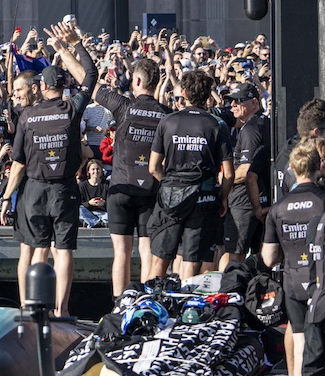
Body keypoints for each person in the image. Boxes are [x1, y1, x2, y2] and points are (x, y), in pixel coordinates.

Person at [0, 22, 98, 316]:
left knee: (38, 248)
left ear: (42, 87)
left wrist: (6, 197)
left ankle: (30, 307)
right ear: (62, 86)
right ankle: (61, 309)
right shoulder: (71, 107)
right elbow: (91, 75)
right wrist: (69, 46)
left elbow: (17, 164)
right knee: (64, 251)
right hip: (64, 188)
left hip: (35, 190)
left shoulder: (27, 115)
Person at [260, 137, 325, 376]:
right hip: (320, 286)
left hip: (294, 287)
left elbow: (268, 257)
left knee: (302, 358)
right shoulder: (323, 200)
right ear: (319, 167)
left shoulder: (280, 207)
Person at [148, 69, 234, 282]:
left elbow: (153, 167)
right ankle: (186, 306)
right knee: (191, 259)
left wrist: (169, 184)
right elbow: (229, 173)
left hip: (170, 197)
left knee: (160, 257)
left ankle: (148, 305)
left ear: (183, 93)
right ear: (207, 95)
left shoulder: (168, 121)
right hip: (203, 197)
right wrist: (223, 198)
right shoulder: (217, 124)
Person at [94, 56, 169, 295]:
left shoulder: (124, 106)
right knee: (147, 249)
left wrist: (70, 49)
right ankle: (145, 303)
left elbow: (92, 87)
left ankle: (119, 303)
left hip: (122, 187)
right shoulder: (167, 114)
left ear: (136, 80)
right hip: (151, 188)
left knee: (122, 252)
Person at [219, 81, 271, 268]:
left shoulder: (250, 128)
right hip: (258, 200)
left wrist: (222, 180)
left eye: (239, 101)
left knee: (234, 256)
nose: (232, 105)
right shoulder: (263, 124)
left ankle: (231, 293)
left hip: (243, 203)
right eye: (231, 101)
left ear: (254, 103)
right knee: (257, 256)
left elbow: (246, 171)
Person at [78, 159, 110, 228]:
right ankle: (95, 222)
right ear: (88, 171)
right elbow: (79, 202)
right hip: (89, 213)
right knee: (79, 209)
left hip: (104, 213)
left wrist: (104, 203)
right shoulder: (83, 185)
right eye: (93, 169)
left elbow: (112, 202)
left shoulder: (107, 185)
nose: (95, 171)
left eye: (98, 169)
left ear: (101, 170)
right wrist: (89, 203)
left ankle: (95, 223)